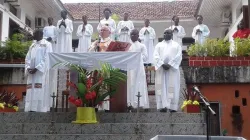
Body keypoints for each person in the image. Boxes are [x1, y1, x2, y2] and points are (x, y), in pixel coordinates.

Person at [153, 29, 182, 113]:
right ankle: (162, 106)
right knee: (160, 86)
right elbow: (155, 56)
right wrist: (162, 64)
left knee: (173, 87)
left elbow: (178, 56)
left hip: (172, 70)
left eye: (168, 33)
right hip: (161, 70)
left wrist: (170, 64)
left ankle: (172, 106)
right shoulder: (158, 45)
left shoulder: (176, 45)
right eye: (164, 33)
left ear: (171, 34)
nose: (165, 34)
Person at [25, 29, 53, 112]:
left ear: (40, 34)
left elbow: (47, 58)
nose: (33, 35)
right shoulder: (32, 45)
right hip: (31, 73)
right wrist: (28, 67)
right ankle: (30, 108)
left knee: (39, 89)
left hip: (40, 73)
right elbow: (27, 58)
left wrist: (37, 68)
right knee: (31, 90)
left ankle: (39, 109)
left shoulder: (47, 44)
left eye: (34, 34)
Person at [127, 29, 149, 109]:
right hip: (130, 69)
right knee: (130, 84)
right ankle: (130, 103)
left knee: (139, 84)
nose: (133, 36)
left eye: (134, 34)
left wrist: (137, 56)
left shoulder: (142, 46)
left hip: (139, 69)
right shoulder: (127, 46)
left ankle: (140, 103)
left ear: (138, 35)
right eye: (131, 35)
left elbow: (146, 57)